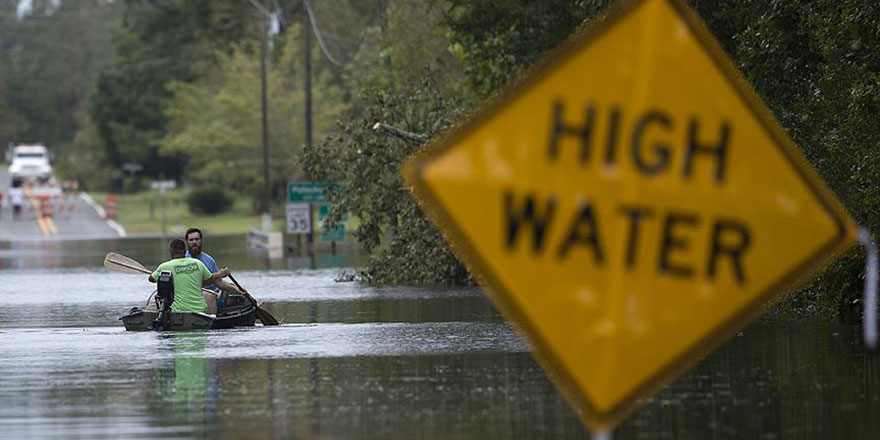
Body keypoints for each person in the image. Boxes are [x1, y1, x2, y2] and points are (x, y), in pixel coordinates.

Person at [148, 238, 230, 313]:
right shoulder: (197, 263)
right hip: (200, 309)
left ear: (171, 252)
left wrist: (155, 273)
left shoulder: (165, 266)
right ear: (185, 251)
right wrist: (220, 274)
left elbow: (151, 279)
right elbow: (209, 280)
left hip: (178, 310)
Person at [184, 227, 247, 307]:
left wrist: (237, 289)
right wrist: (220, 273)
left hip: (215, 295)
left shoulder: (209, 259)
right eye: (191, 240)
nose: (194, 242)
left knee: (236, 294)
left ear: (201, 240)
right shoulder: (184, 260)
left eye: (197, 239)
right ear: (187, 242)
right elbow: (199, 281)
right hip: (198, 297)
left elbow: (219, 282)